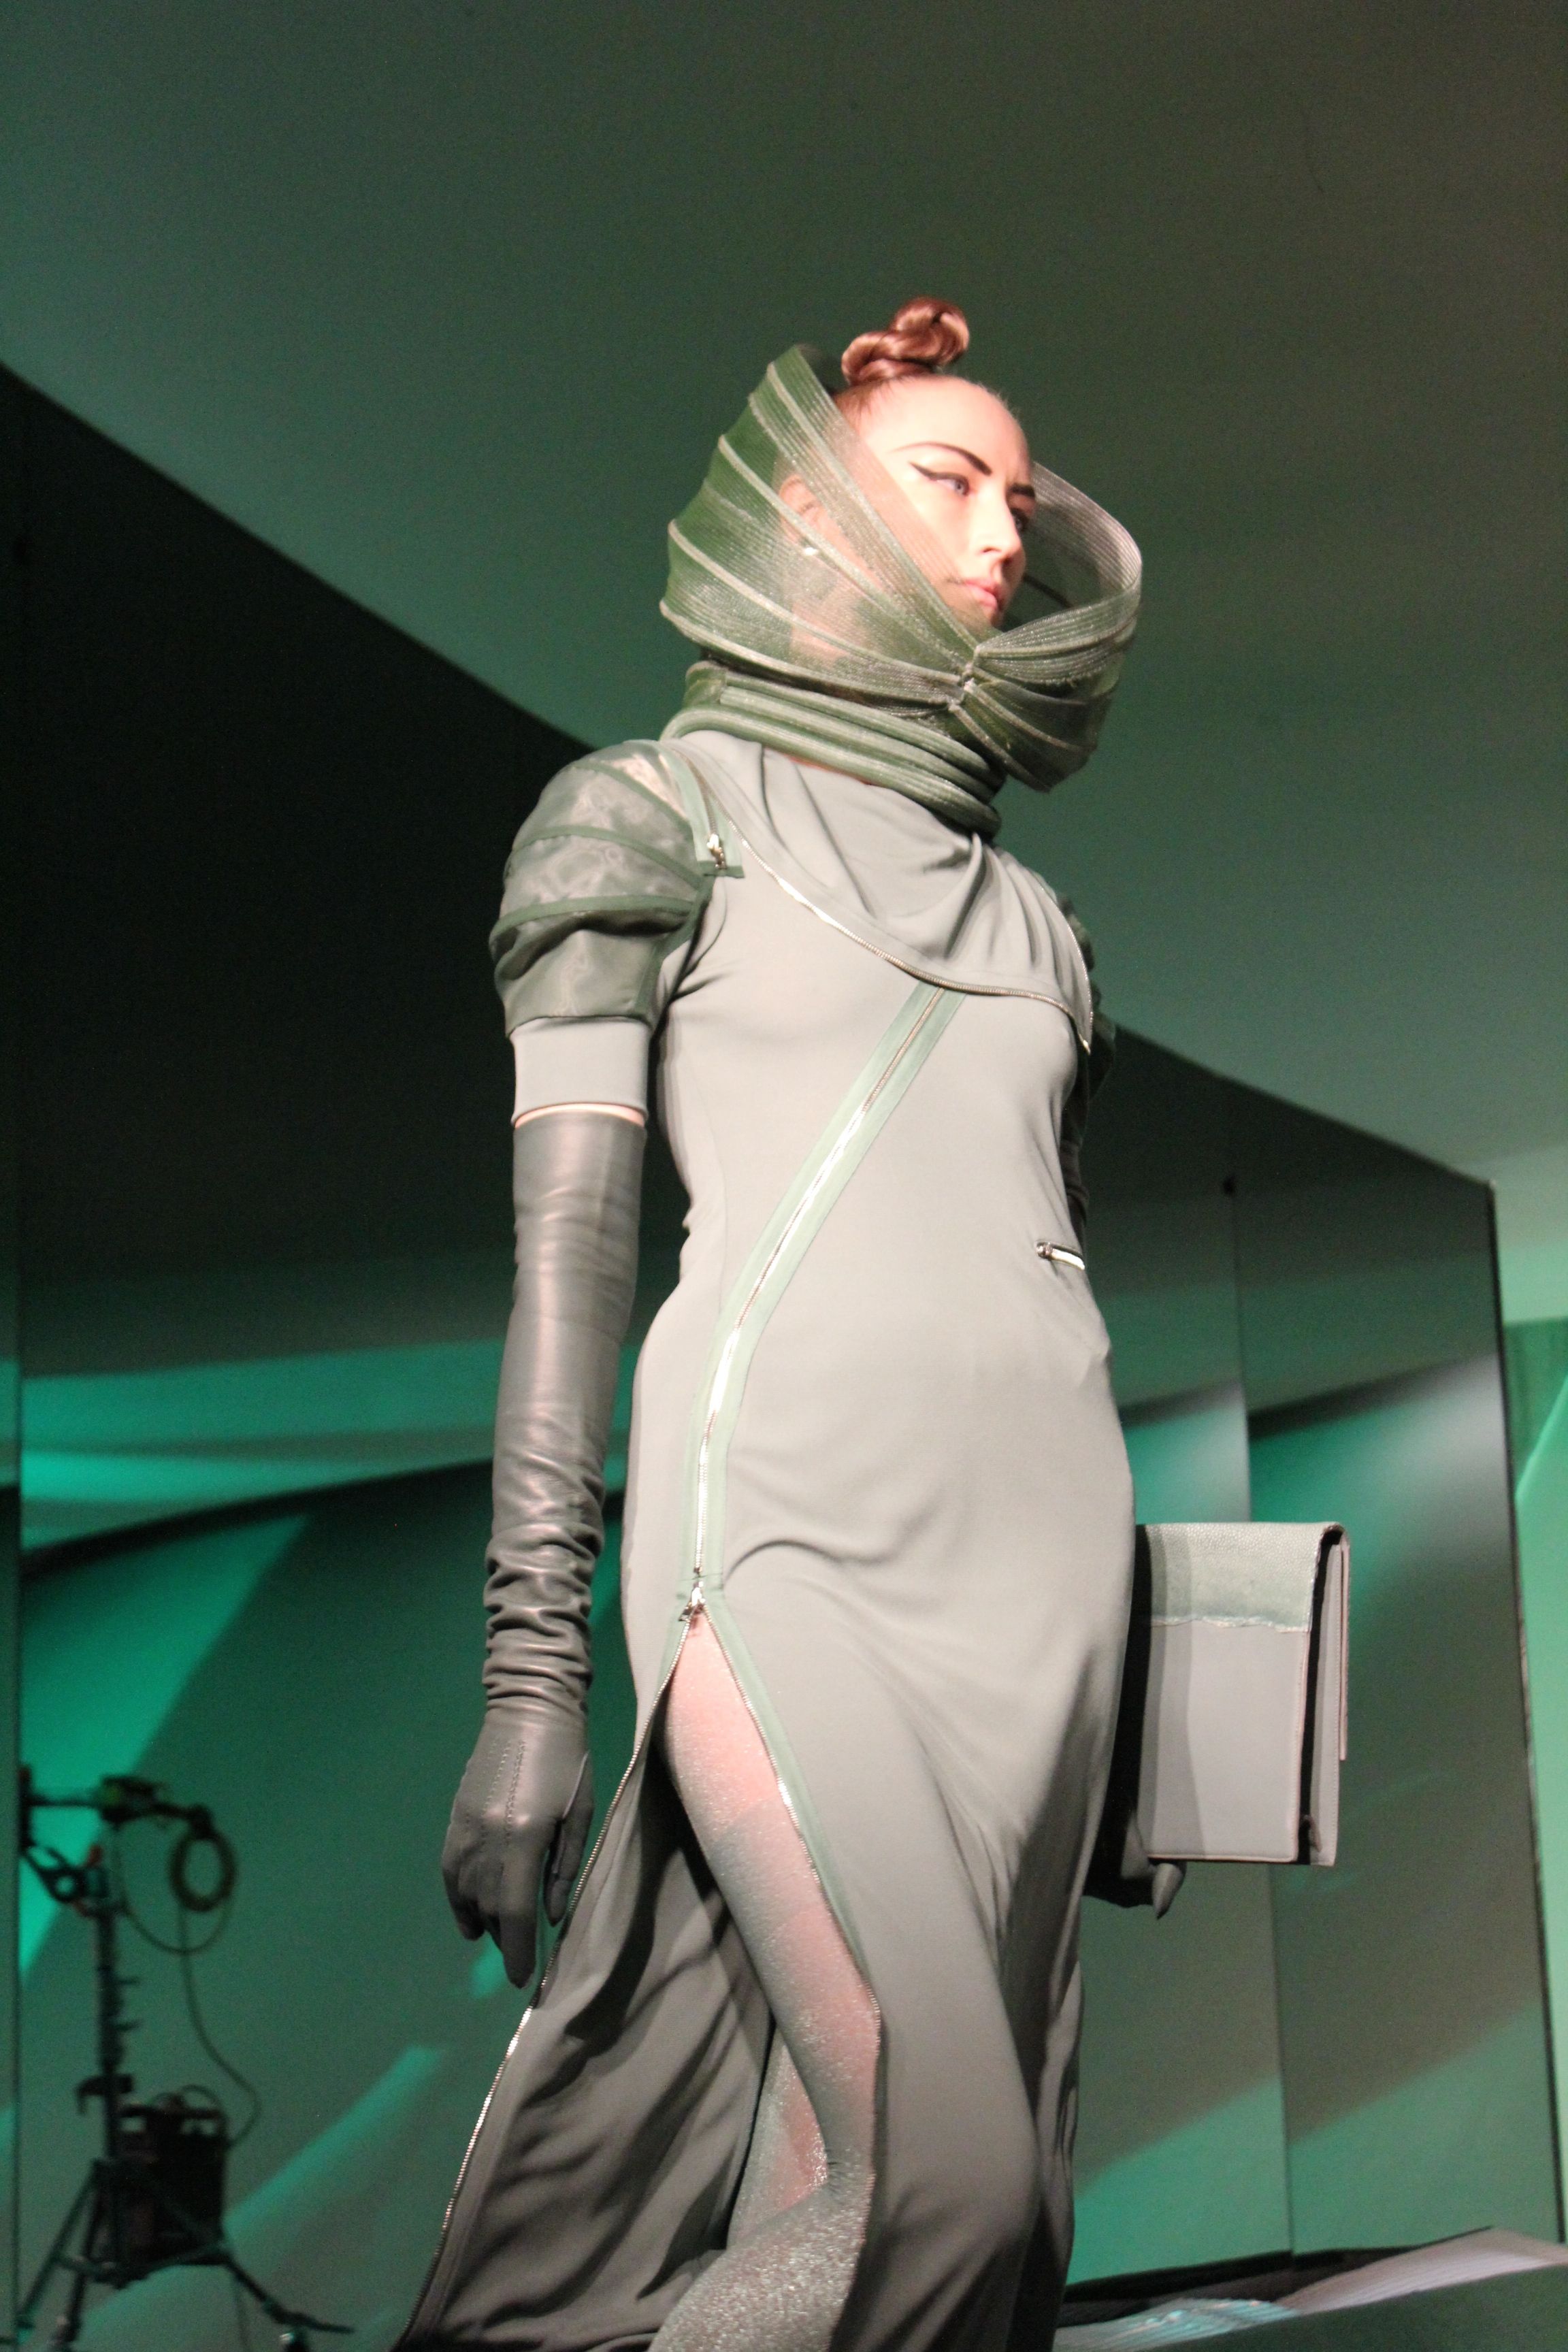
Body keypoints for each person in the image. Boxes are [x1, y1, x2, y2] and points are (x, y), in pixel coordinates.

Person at [401, 298, 1154, 2352]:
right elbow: (573, 1263)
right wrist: (533, 1678)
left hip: (1049, 1585)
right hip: (786, 1536)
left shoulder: (1039, 925)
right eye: (948, 479)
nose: (1001, 535)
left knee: (932, 2213)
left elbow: (1036, 1278)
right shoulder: (649, 816)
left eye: (1018, 499)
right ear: (807, 507)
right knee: (945, 2182)